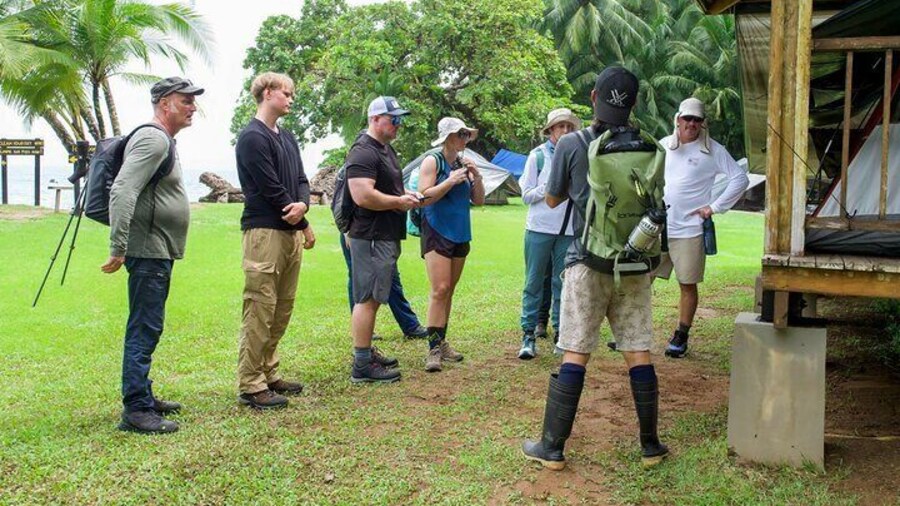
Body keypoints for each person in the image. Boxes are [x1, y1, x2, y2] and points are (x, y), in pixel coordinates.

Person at [522, 66, 669, 469]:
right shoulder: (649, 146)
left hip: (586, 261)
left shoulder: (571, 143)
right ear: (634, 102)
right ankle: (650, 446)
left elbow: (552, 200)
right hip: (635, 263)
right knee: (638, 350)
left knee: (575, 353)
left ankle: (552, 448)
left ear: (593, 97)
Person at [103, 76, 204, 434]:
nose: (192, 106)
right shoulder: (152, 137)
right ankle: (136, 408)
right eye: (185, 100)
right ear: (164, 103)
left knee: (148, 324)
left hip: (156, 250)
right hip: (147, 251)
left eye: (193, 101)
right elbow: (122, 190)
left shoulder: (162, 139)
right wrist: (118, 246)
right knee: (144, 327)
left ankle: (142, 393)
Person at [234, 72, 316, 409]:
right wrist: (301, 217)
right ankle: (250, 382)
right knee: (260, 307)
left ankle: (269, 371)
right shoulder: (252, 137)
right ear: (267, 93)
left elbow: (300, 178)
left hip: (289, 233)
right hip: (265, 232)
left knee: (282, 307)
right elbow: (269, 187)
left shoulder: (287, 137)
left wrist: (304, 205)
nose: (291, 99)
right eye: (287, 93)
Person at [657, 98, 749, 358]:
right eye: (687, 118)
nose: (692, 124)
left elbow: (739, 178)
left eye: (697, 120)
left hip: (689, 229)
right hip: (660, 227)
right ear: (678, 119)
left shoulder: (712, 150)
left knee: (687, 284)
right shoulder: (664, 146)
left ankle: (681, 335)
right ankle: (634, 332)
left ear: (702, 123)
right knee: (642, 280)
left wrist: (714, 207)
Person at [346, 96, 421, 383]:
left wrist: (403, 199)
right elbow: (362, 195)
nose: (399, 124)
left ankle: (365, 353)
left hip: (383, 234)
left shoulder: (383, 149)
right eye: (394, 119)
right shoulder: (364, 151)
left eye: (400, 118)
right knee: (367, 297)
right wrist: (398, 202)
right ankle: (362, 364)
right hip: (372, 235)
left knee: (375, 297)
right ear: (375, 119)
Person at [417, 117, 485, 372]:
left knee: (450, 290)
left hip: (460, 232)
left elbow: (478, 201)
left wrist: (475, 176)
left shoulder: (463, 163)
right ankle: (433, 349)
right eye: (462, 134)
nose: (466, 139)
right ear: (449, 137)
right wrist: (449, 181)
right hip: (437, 230)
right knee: (440, 288)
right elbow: (423, 196)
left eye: (467, 134)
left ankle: (442, 341)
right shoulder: (432, 160)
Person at [517, 108, 580, 359]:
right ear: (551, 130)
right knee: (533, 283)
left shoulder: (577, 154)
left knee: (562, 284)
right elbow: (526, 195)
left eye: (568, 127)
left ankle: (560, 334)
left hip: (567, 230)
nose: (564, 131)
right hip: (539, 228)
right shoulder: (538, 156)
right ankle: (528, 335)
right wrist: (551, 186)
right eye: (560, 126)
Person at [339, 233, 429, 339]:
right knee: (358, 279)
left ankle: (410, 325)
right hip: (358, 231)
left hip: (382, 231)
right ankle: (363, 332)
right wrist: (345, 229)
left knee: (390, 276)